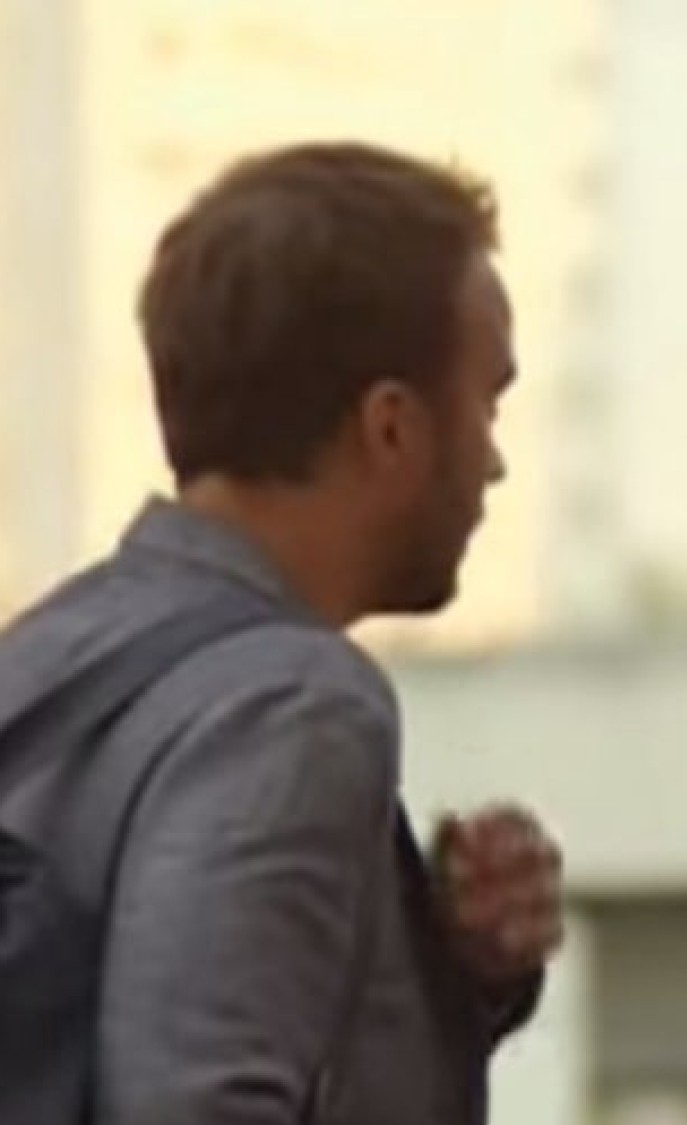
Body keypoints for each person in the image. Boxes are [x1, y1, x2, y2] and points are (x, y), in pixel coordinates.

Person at [0, 141, 563, 1123]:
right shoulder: (295, 703)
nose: (494, 463)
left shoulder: (54, 655)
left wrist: (442, 966)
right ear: (392, 428)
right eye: (488, 401)